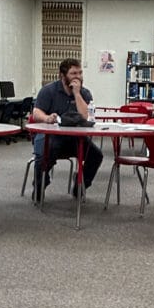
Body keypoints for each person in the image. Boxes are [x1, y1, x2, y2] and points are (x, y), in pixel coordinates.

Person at [32, 58, 103, 201]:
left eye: (80, 73)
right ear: (63, 76)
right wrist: (47, 118)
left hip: (75, 139)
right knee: (45, 154)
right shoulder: (48, 91)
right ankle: (40, 186)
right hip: (50, 136)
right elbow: (36, 112)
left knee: (96, 156)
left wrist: (77, 94)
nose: (78, 76)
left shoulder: (85, 93)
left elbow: (85, 116)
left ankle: (80, 184)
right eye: (73, 73)